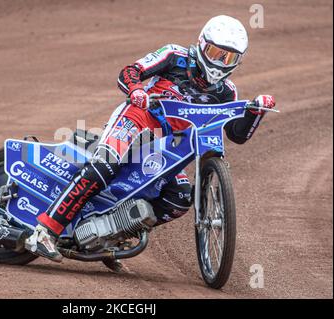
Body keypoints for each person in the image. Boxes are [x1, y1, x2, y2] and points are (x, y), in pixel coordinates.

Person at [29, 15, 276, 262]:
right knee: (104, 165)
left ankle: (111, 234)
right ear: (201, 44)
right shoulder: (174, 55)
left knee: (179, 198)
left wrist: (256, 112)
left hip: (166, 146)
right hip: (137, 119)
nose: (219, 62)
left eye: (228, 58)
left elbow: (237, 134)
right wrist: (136, 90)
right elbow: (130, 71)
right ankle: (46, 230)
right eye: (214, 53)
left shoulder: (227, 91)